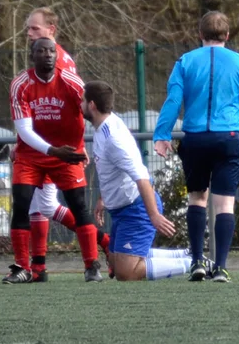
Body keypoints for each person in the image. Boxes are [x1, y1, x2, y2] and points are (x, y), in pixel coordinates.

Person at [153, 11, 239, 283]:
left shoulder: (185, 61)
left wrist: (162, 134)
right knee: (224, 203)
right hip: (228, 138)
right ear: (227, 35)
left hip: (195, 139)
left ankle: (197, 263)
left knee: (197, 198)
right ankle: (221, 268)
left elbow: (173, 99)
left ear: (200, 34)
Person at [20, 7, 110, 279]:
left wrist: (76, 145)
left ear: (51, 30)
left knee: (48, 204)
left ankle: (101, 245)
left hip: (58, 149)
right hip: (43, 145)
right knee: (41, 204)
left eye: (34, 28)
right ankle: (38, 266)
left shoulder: (59, 63)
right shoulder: (44, 59)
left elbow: (74, 108)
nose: (29, 33)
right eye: (28, 28)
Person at [4, 37, 102, 283]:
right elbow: (24, 130)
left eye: (51, 51)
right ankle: (22, 268)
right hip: (31, 155)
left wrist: (83, 146)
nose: (47, 55)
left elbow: (93, 113)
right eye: (41, 51)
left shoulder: (72, 82)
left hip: (67, 153)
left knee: (79, 205)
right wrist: (53, 151)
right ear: (32, 56)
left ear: (57, 57)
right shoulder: (20, 84)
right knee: (21, 204)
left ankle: (92, 265)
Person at [83, 80, 194, 280]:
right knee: (115, 262)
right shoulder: (103, 127)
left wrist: (154, 216)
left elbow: (141, 176)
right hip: (123, 210)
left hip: (136, 208)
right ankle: (186, 254)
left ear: (91, 105)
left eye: (82, 101)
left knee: (126, 272)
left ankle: (193, 263)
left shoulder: (113, 138)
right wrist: (102, 198)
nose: (79, 104)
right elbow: (110, 170)